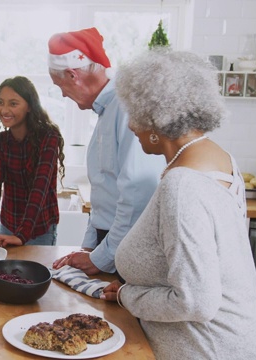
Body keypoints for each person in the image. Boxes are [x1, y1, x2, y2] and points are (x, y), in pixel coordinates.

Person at [100, 49, 256, 359]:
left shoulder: (182, 186)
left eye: (133, 114)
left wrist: (129, 295)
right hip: (243, 337)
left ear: (155, 121)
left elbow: (195, 301)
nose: (129, 126)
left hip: (213, 348)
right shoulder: (218, 158)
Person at [48, 28, 164, 274]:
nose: (62, 94)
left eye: (60, 85)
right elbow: (105, 190)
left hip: (127, 247)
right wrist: (90, 247)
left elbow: (138, 192)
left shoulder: (125, 109)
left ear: (73, 74)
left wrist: (104, 256)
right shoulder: (106, 110)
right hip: (111, 244)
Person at [0, 76, 66, 246]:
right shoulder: (0, 143)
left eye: (13, 103)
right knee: (7, 273)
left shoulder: (48, 138)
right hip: (9, 225)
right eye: (0, 102)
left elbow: (39, 189)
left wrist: (22, 235)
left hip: (39, 229)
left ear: (29, 107)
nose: (4, 110)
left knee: (35, 273)